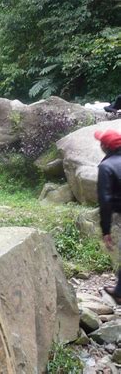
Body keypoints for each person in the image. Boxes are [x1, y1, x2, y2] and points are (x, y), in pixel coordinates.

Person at [96, 128, 121, 302]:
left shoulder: (106, 167)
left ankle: (120, 293)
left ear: (105, 147)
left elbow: (105, 201)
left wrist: (106, 230)